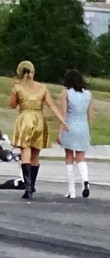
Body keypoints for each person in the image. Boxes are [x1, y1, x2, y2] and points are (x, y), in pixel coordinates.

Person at [7, 60, 67, 200]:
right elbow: (51, 105)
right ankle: (32, 184)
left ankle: (28, 188)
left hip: (25, 119)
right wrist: (62, 121)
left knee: (25, 154)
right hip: (39, 120)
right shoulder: (42, 87)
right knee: (35, 156)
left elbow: (12, 105)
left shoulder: (18, 87)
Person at [57, 69, 94, 199]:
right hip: (83, 128)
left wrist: (59, 132)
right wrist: (88, 130)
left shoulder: (66, 93)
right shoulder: (88, 94)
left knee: (69, 157)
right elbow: (90, 115)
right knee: (81, 158)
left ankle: (71, 190)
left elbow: (63, 114)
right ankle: (85, 181)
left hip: (70, 127)